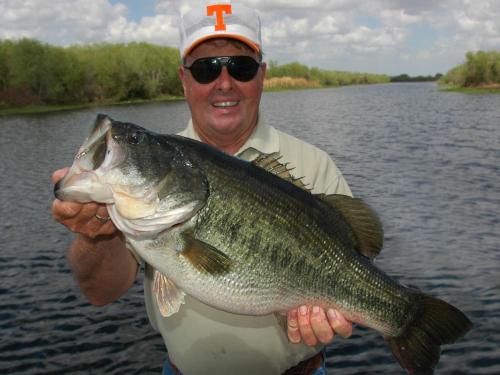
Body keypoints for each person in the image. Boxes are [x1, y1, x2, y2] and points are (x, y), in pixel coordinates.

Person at [52, 2, 353, 374]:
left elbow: (355, 258)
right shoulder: (139, 197)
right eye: (206, 68)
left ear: (262, 75)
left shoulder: (314, 165)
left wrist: (329, 313)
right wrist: (94, 235)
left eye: (240, 67)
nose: (223, 83)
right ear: (184, 79)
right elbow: (100, 292)